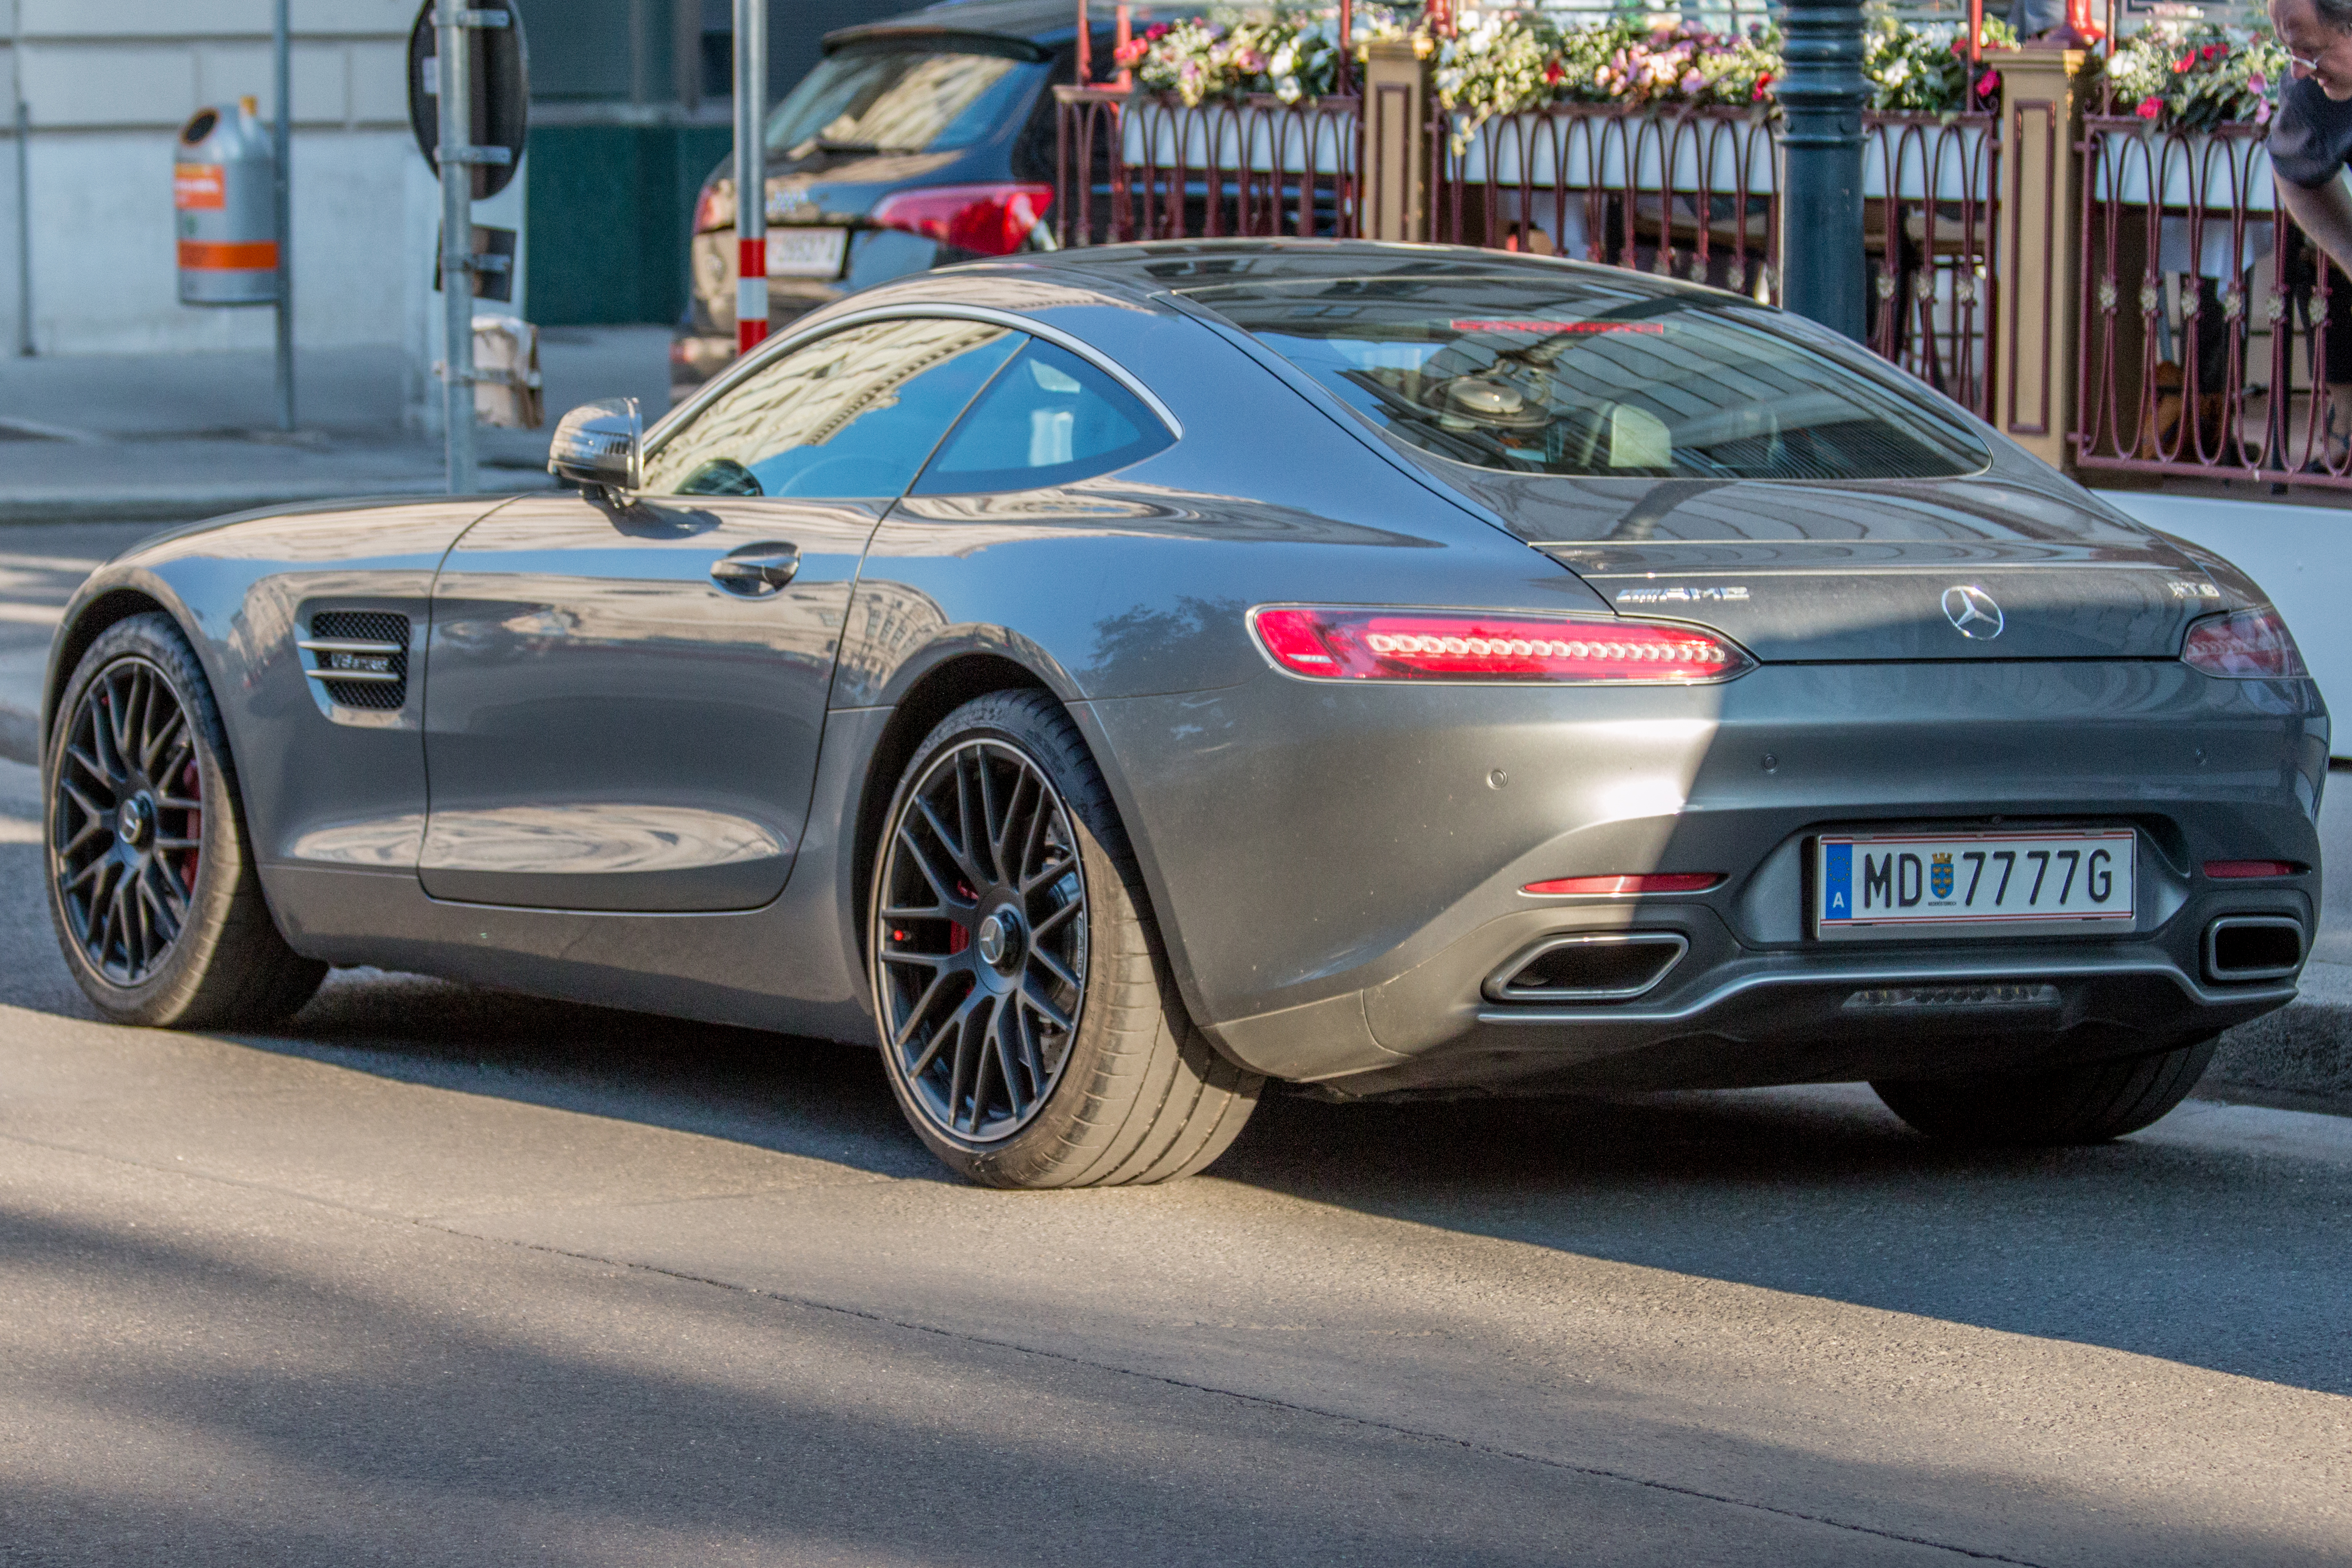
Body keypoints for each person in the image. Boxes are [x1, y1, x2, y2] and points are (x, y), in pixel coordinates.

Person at [2268, 0, 2352, 461]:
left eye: (2312, 53)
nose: (2300, 71)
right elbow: (2295, 171)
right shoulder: (2312, 95)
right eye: (2292, 53)